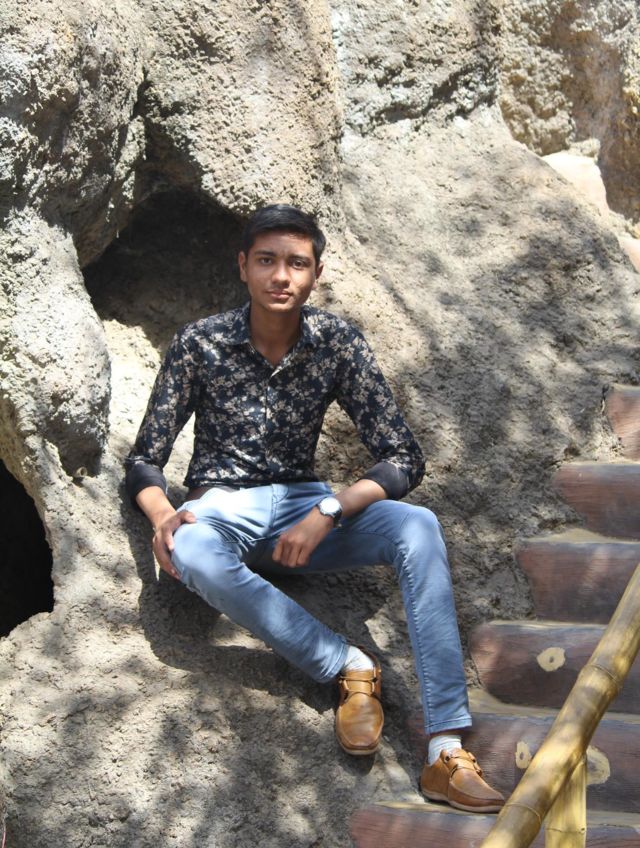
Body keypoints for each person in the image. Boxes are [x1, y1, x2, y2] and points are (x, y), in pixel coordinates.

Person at [125, 204, 504, 813]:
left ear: (316, 273)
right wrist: (162, 516)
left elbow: (403, 456)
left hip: (307, 510)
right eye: (267, 261)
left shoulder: (337, 342)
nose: (281, 276)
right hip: (223, 510)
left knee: (419, 525)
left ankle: (445, 750)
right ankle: (346, 665)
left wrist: (330, 509)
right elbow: (145, 459)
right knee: (190, 547)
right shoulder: (200, 343)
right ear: (243, 266)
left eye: (296, 263)